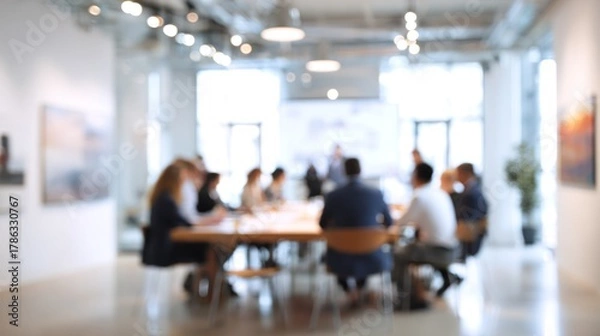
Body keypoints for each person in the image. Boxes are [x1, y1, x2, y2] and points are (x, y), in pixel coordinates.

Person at [319, 158, 393, 304]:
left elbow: (322, 224)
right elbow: (389, 223)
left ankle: (349, 291)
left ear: (344, 171)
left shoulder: (333, 195)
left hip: (339, 258)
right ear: (361, 171)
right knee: (362, 249)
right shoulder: (376, 194)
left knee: (344, 251)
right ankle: (359, 289)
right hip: (372, 256)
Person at [393, 163, 460, 304]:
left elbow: (401, 223)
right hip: (454, 249)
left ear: (415, 177)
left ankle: (408, 298)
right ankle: (420, 288)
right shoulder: (441, 193)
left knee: (397, 253)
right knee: (415, 242)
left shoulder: (419, 196)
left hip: (436, 251)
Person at [455, 163, 488, 258]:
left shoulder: (471, 192)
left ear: (465, 173)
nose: (457, 177)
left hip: (469, 235)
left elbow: (467, 216)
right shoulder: (474, 188)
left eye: (458, 173)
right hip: (473, 234)